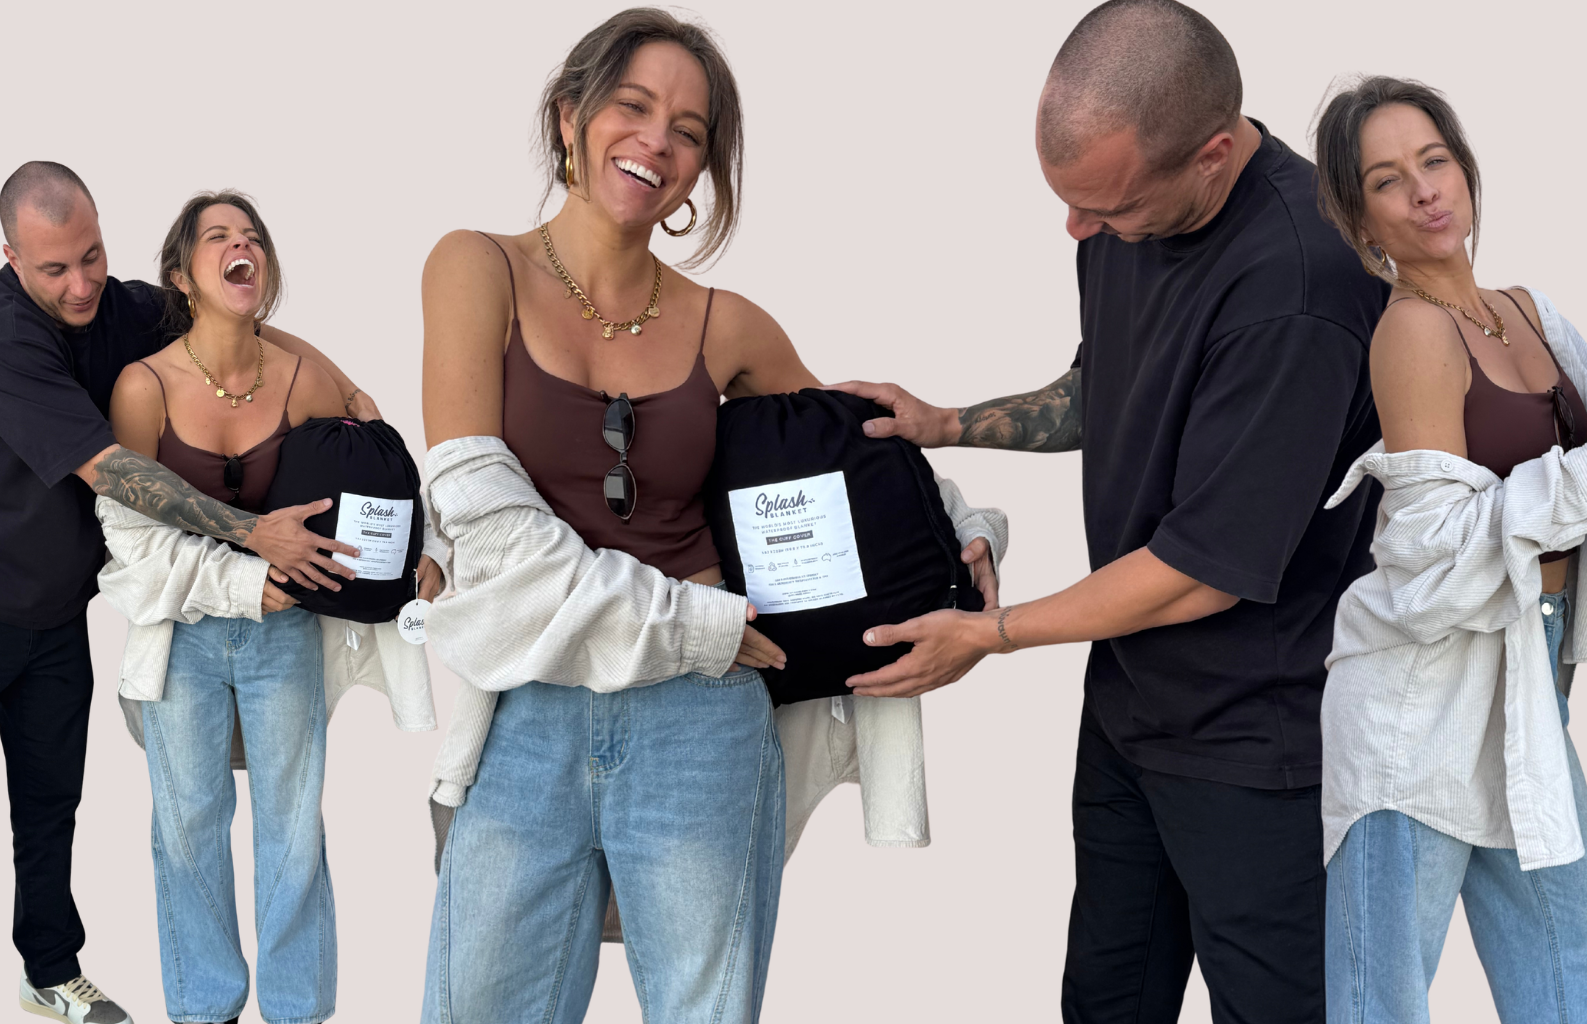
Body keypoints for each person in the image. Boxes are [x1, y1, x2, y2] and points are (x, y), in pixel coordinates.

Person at [412, 10, 1001, 1022]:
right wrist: (696, 622)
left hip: (703, 717)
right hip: (530, 702)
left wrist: (967, 529)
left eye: (688, 131)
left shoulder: (727, 323)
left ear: (701, 169)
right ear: (568, 117)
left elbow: (853, 466)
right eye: (633, 106)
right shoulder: (475, 266)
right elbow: (484, 516)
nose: (657, 142)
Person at [833, 2, 1383, 1019]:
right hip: (1129, 711)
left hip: (1258, 742)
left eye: (1105, 208)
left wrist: (989, 633)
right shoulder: (1125, 215)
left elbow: (1202, 571)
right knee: (1105, 1001)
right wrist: (946, 423)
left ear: (1211, 155)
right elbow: (1109, 386)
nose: (1079, 231)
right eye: (1069, 204)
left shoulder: (1301, 284)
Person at [1309, 76, 1587, 1024]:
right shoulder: (1412, 333)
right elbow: (1433, 560)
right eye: (1388, 180)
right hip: (1418, 707)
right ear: (1360, 220)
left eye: (1435, 160)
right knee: (1382, 1002)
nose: (1424, 191)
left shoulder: (1523, 309)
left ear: (1465, 167)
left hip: (1525, 691)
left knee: (1576, 963)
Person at [0, 162, 383, 1024]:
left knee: (50, 804)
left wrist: (354, 393)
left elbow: (250, 324)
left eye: (92, 256)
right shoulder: (12, 339)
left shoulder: (127, 306)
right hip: (41, 600)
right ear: (13, 258)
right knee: (186, 827)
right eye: (55, 269)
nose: (81, 284)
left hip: (57, 612)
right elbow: (114, 477)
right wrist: (251, 539)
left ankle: (50, 971)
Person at [92, 190, 438, 1024]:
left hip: (286, 633)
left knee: (292, 830)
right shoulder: (143, 387)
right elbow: (130, 539)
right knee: (188, 828)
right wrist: (247, 575)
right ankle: (202, 1010)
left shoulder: (303, 378)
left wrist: (418, 556)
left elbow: (374, 470)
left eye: (251, 236)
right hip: (180, 633)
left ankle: (297, 1010)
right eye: (216, 236)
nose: (239, 244)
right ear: (182, 275)